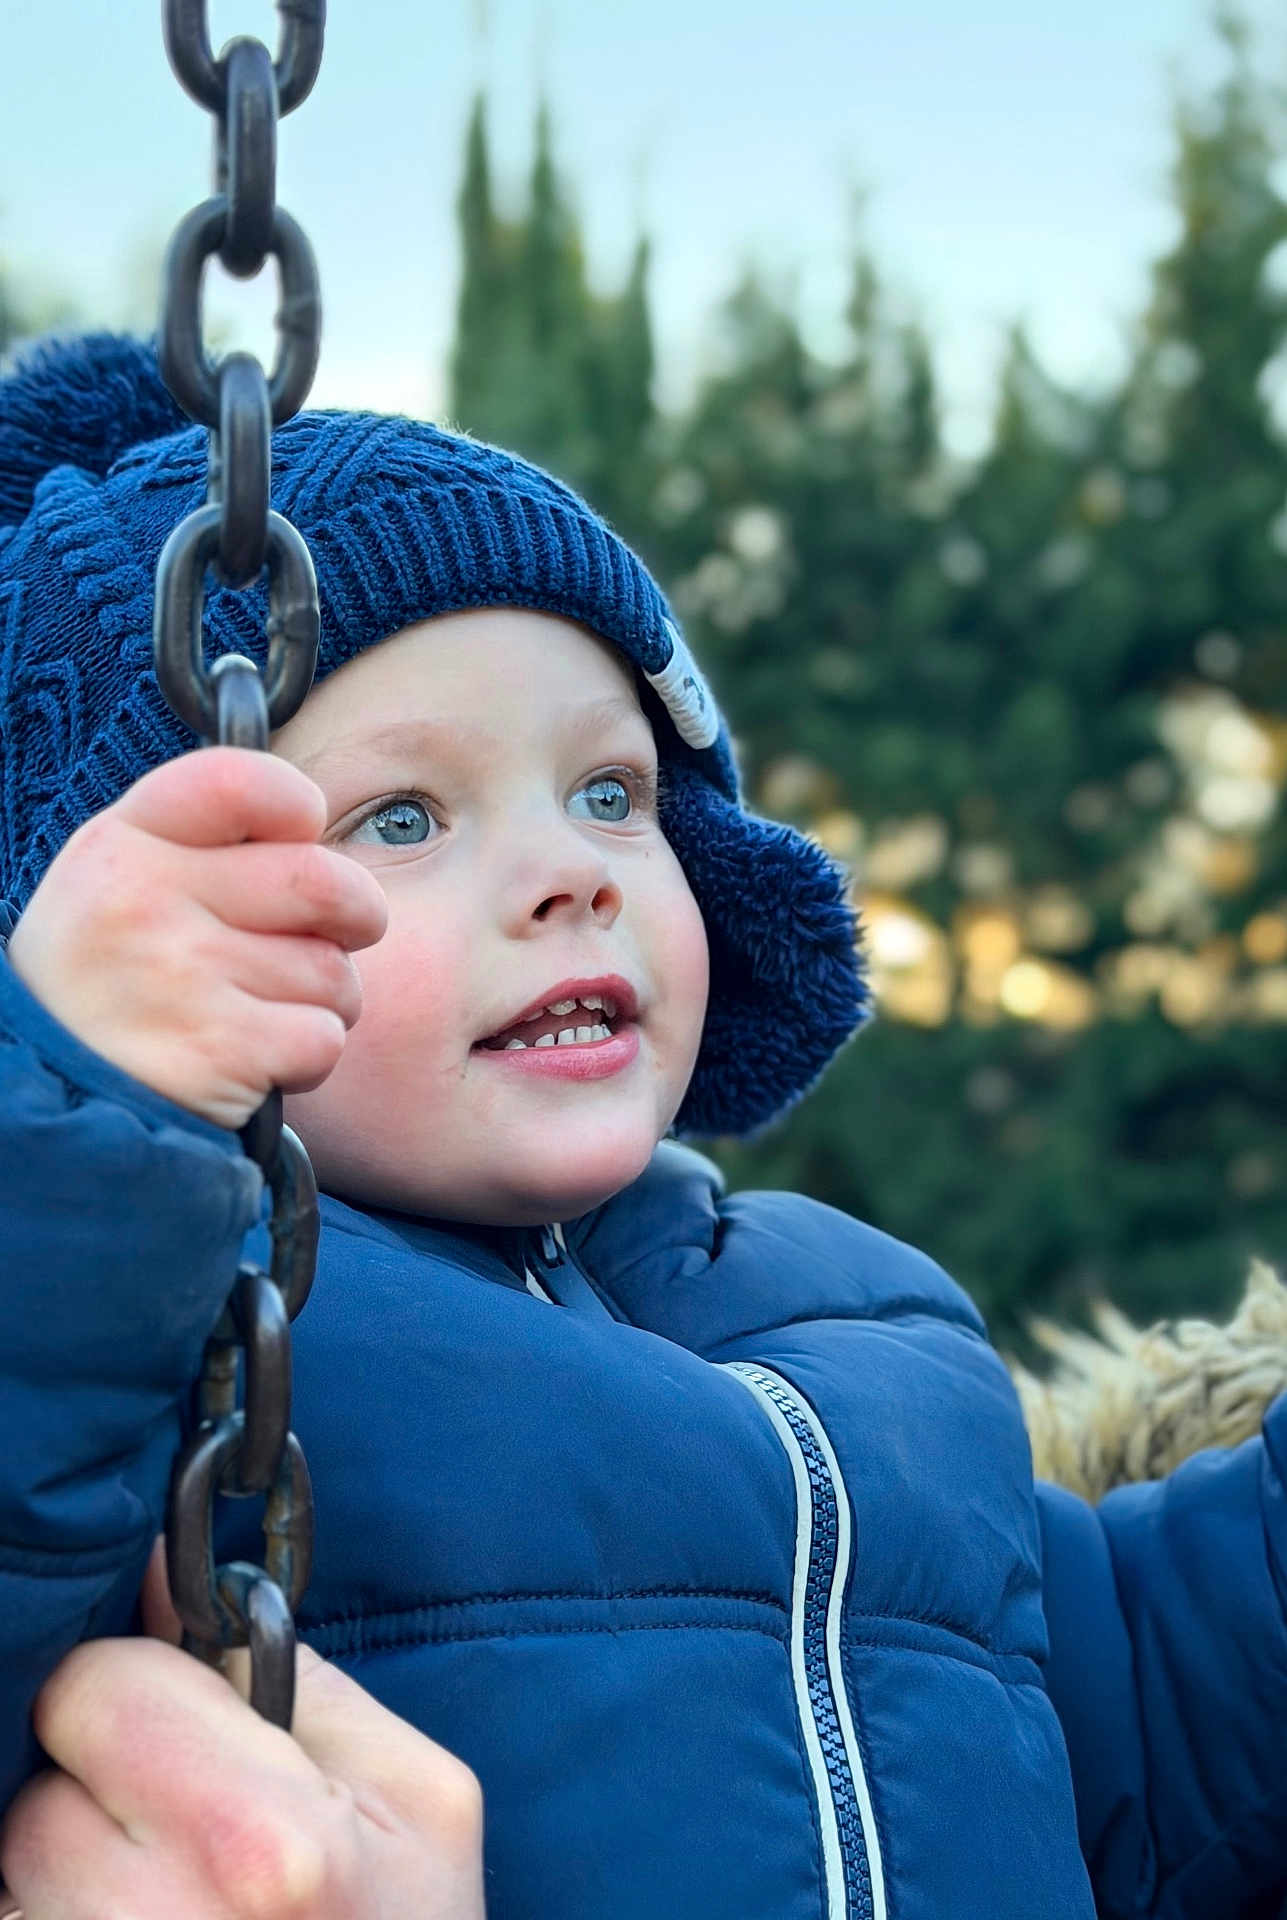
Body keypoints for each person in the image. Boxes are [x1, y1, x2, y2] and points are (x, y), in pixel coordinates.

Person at [0, 331, 1284, 1920]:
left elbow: (1140, 1721)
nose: (577, 869)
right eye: (401, 819)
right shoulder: (170, 1351)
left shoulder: (859, 1314)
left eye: (611, 793)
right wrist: (79, 1117)